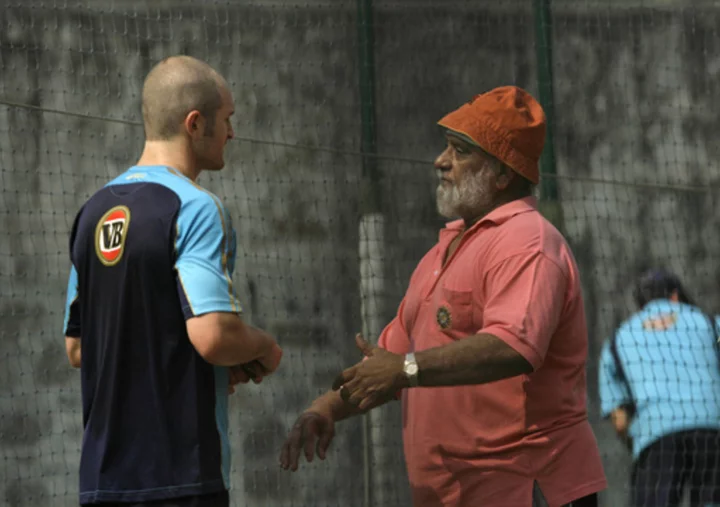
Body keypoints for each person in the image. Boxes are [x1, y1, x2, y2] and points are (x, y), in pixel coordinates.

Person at [279, 86, 607, 506]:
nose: (440, 161)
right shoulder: (444, 250)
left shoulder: (527, 241)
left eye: (460, 151)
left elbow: (513, 346)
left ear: (503, 173)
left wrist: (406, 369)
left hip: (526, 489)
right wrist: (326, 407)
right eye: (446, 147)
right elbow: (388, 361)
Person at [62, 55, 283, 507]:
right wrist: (263, 347)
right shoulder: (196, 207)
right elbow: (214, 336)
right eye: (227, 120)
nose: (233, 134)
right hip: (181, 476)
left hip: (102, 481)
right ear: (195, 123)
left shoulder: (92, 212)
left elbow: (79, 347)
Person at [599, 268, 720, 507]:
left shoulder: (617, 340)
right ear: (675, 296)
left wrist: (641, 444)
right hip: (713, 428)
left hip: (656, 434)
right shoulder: (709, 322)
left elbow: (620, 420)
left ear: (641, 304)